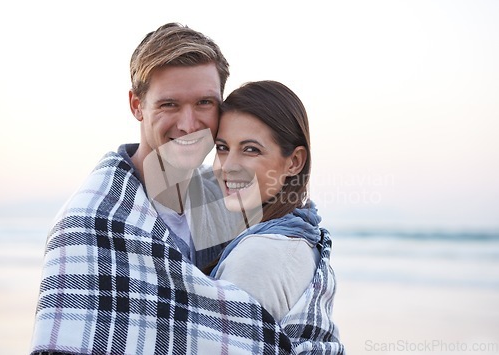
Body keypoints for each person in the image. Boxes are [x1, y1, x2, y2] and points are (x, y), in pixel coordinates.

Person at [30, 23, 344, 354]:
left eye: (204, 103)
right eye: (169, 105)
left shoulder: (230, 202)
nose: (189, 124)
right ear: (137, 105)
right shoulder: (91, 220)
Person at [207, 80, 344, 349]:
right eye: (222, 147)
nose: (228, 166)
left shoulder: (261, 253)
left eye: (250, 149)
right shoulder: (298, 234)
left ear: (294, 162)